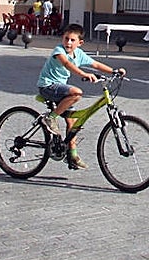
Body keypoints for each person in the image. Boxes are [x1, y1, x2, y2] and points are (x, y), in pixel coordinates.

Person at [36, 24, 124, 170]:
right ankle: (50, 118)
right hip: (48, 86)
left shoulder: (79, 54)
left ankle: (72, 156)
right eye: (66, 39)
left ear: (80, 43)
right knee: (77, 93)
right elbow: (66, 63)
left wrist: (114, 71)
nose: (68, 42)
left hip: (61, 90)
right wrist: (84, 74)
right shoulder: (59, 51)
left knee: (73, 124)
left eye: (72, 40)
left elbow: (95, 64)